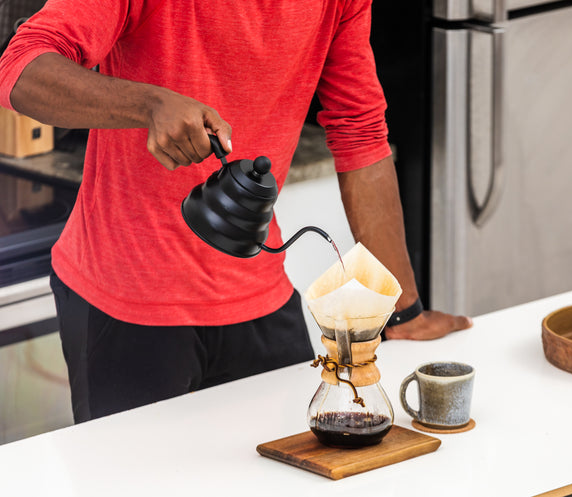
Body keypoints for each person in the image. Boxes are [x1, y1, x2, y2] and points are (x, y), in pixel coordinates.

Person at [0, 0, 472, 423]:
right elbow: (21, 69)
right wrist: (149, 103)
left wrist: (403, 312)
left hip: (258, 294)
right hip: (126, 304)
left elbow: (361, 134)